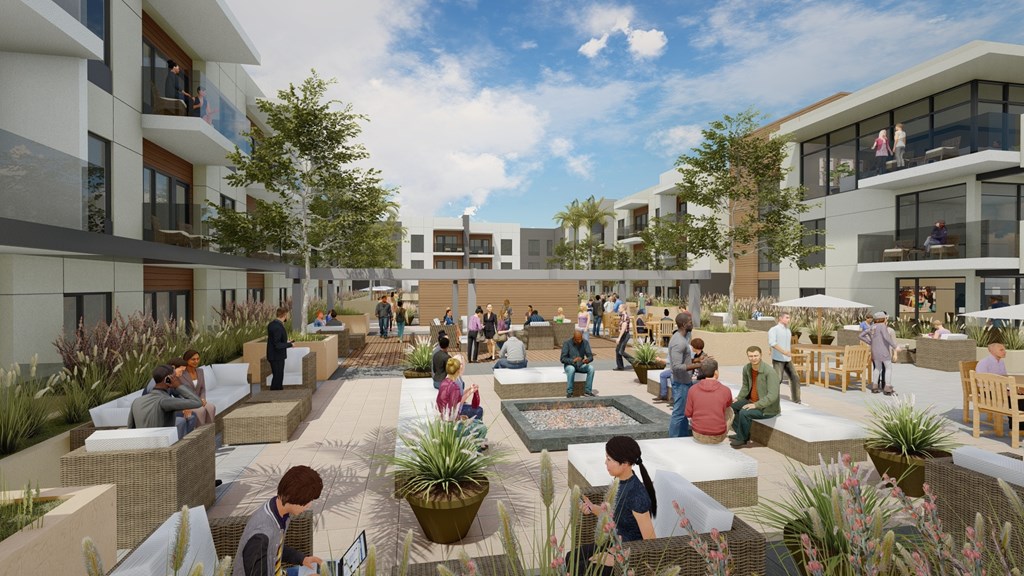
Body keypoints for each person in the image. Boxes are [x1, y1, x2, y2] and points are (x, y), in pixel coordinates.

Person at [569, 436, 656, 575]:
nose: (605, 462)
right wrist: (592, 507)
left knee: (579, 570)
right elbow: (613, 515)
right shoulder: (618, 482)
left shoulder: (637, 496)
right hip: (613, 543)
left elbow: (651, 543)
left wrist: (615, 559)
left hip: (628, 554)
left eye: (609, 459)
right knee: (570, 558)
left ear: (625, 463)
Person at [233, 465, 323, 576]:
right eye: (307, 500)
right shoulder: (260, 536)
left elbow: (273, 549)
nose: (309, 506)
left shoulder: (279, 510)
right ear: (293, 497)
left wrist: (302, 559)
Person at [128, 363, 203, 439]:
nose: (177, 379)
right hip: (163, 445)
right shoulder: (165, 401)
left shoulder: (136, 401)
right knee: (190, 418)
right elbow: (198, 402)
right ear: (167, 380)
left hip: (142, 444)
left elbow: (130, 428)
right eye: (174, 377)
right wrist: (178, 386)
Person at [731, 346, 781, 448]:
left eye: (756, 356)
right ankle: (742, 434)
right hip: (751, 401)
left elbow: (773, 395)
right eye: (751, 356)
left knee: (744, 412)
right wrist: (739, 398)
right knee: (731, 407)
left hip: (767, 408)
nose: (753, 358)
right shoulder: (747, 368)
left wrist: (756, 405)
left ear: (761, 355)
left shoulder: (770, 372)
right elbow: (745, 386)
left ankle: (742, 439)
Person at [975, 343, 1024, 432]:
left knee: (1021, 394)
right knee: (1013, 398)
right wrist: (1003, 391)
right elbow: (982, 383)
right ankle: (1016, 427)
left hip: (1000, 390)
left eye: (1004, 350)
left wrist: (1015, 389)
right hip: (987, 392)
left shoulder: (1001, 362)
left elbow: (1005, 379)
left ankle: (1020, 426)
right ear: (992, 351)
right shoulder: (984, 363)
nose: (1005, 352)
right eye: (1001, 350)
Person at [685, 358, 734, 444]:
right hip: (718, 435)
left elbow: (688, 413)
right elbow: (728, 405)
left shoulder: (692, 389)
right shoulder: (725, 390)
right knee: (730, 410)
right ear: (716, 372)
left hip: (697, 433)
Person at [667, 312, 695, 437]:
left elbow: (683, 360)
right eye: (690, 322)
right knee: (679, 413)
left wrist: (697, 361)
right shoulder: (679, 342)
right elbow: (677, 366)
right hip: (680, 382)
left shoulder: (682, 338)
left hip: (684, 381)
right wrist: (698, 366)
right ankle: (673, 440)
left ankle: (683, 438)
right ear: (684, 324)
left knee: (684, 412)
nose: (692, 323)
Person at [859, 311, 897, 395]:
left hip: (874, 351)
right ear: (883, 319)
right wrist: (895, 346)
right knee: (888, 368)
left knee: (877, 368)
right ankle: (887, 388)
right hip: (883, 351)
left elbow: (861, 335)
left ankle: (874, 387)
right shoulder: (882, 326)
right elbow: (886, 337)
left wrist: (870, 342)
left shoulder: (872, 326)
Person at [767, 312, 801, 404]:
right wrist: (784, 352)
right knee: (777, 379)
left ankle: (797, 400)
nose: (788, 319)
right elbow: (772, 343)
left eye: (789, 317)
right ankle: (772, 399)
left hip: (787, 360)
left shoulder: (788, 330)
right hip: (778, 359)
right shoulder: (774, 329)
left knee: (795, 377)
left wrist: (787, 353)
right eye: (786, 317)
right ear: (780, 318)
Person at [437, 356, 484, 421]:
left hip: (445, 415)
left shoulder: (445, 381)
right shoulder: (455, 385)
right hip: (451, 418)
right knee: (479, 411)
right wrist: (470, 392)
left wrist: (469, 389)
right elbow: (458, 403)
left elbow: (458, 396)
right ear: (457, 369)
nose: (461, 366)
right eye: (460, 364)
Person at [179, 349, 216, 426]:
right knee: (200, 410)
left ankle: (209, 432)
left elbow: (202, 388)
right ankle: (200, 434)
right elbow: (179, 392)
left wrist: (203, 399)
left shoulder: (200, 371)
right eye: (193, 359)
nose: (196, 361)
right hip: (188, 402)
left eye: (197, 359)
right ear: (186, 360)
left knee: (211, 407)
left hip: (199, 400)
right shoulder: (181, 374)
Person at [561, 327, 595, 397]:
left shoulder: (585, 342)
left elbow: (590, 356)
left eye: (580, 339)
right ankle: (570, 392)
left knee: (591, 369)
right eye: (577, 340)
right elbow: (562, 359)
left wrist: (587, 360)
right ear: (574, 338)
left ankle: (588, 391)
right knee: (571, 369)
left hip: (580, 365)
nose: (579, 341)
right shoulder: (567, 343)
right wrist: (573, 360)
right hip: (569, 365)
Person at [266, 306, 294, 391]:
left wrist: (287, 342)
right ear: (284, 315)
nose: (288, 317)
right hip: (276, 356)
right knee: (278, 377)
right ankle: (274, 394)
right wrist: (290, 345)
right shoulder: (277, 327)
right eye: (287, 315)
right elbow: (277, 345)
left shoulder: (272, 324)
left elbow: (276, 340)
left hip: (274, 356)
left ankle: (278, 393)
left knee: (278, 376)